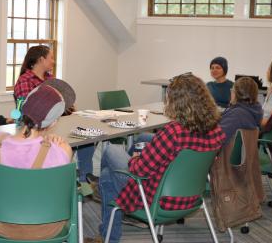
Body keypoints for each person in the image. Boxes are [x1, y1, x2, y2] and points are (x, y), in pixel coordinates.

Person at [92, 73, 226, 243]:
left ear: (177, 102)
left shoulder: (173, 132)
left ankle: (108, 229)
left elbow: (139, 169)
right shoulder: (217, 131)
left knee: (109, 157)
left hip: (156, 197)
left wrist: (135, 158)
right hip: (192, 196)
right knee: (142, 140)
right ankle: (108, 200)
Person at [0, 83, 73, 240]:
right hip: (46, 228)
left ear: (23, 109)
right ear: (53, 122)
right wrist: (51, 142)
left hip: (0, 225)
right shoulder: (61, 150)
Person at [14, 46, 94, 182]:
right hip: (38, 127)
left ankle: (84, 177)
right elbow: (29, 109)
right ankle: (71, 177)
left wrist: (66, 108)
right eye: (51, 57)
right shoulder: (25, 81)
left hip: (55, 124)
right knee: (64, 146)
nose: (54, 60)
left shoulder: (50, 79)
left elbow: (61, 105)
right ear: (41, 59)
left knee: (87, 139)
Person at [220, 77, 263, 145]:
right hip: (237, 154)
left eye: (233, 90)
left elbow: (217, 138)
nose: (231, 92)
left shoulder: (237, 114)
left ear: (237, 93)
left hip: (223, 153)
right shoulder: (253, 111)